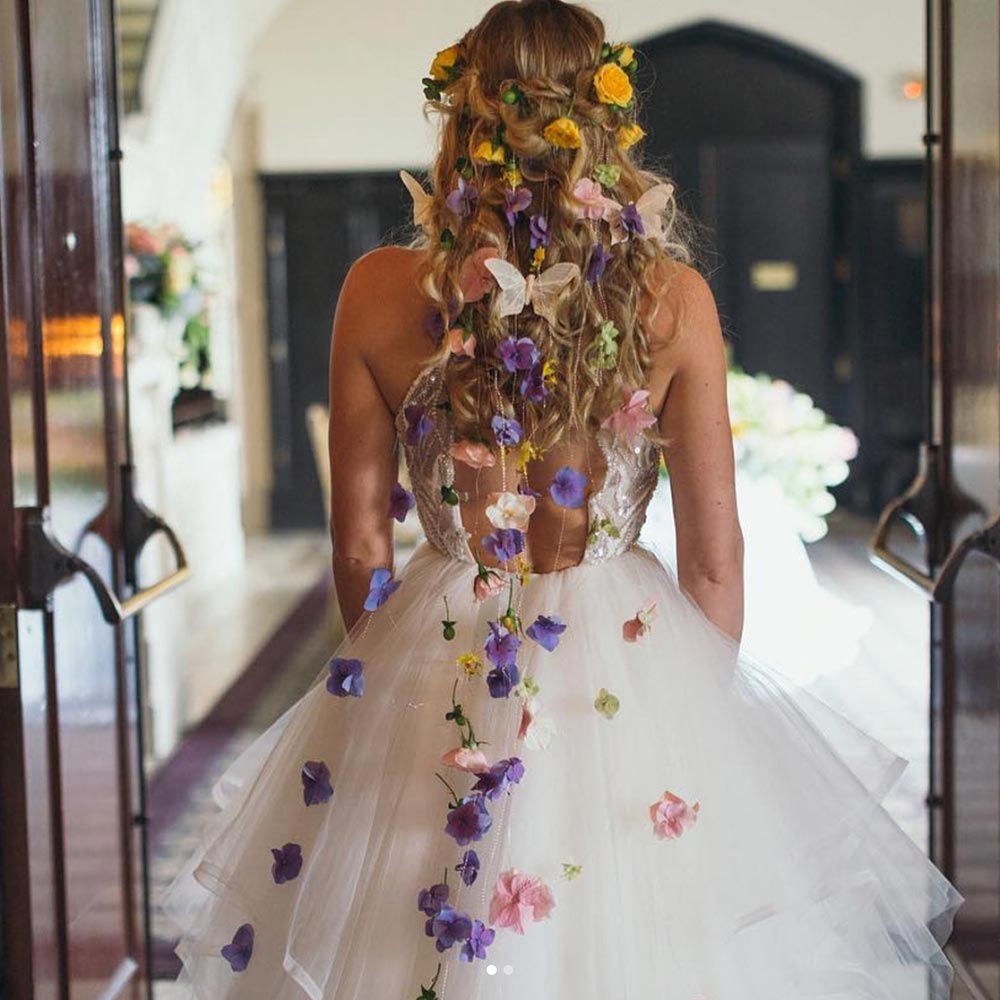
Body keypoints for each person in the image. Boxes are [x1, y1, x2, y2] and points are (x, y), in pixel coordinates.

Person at [161, 3, 962, 996]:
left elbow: (360, 544)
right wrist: (692, 733)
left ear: (458, 115)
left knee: (416, 928)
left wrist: (384, 702)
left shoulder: (376, 290)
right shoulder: (670, 298)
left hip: (438, 645)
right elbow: (715, 558)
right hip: (626, 649)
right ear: (600, 116)